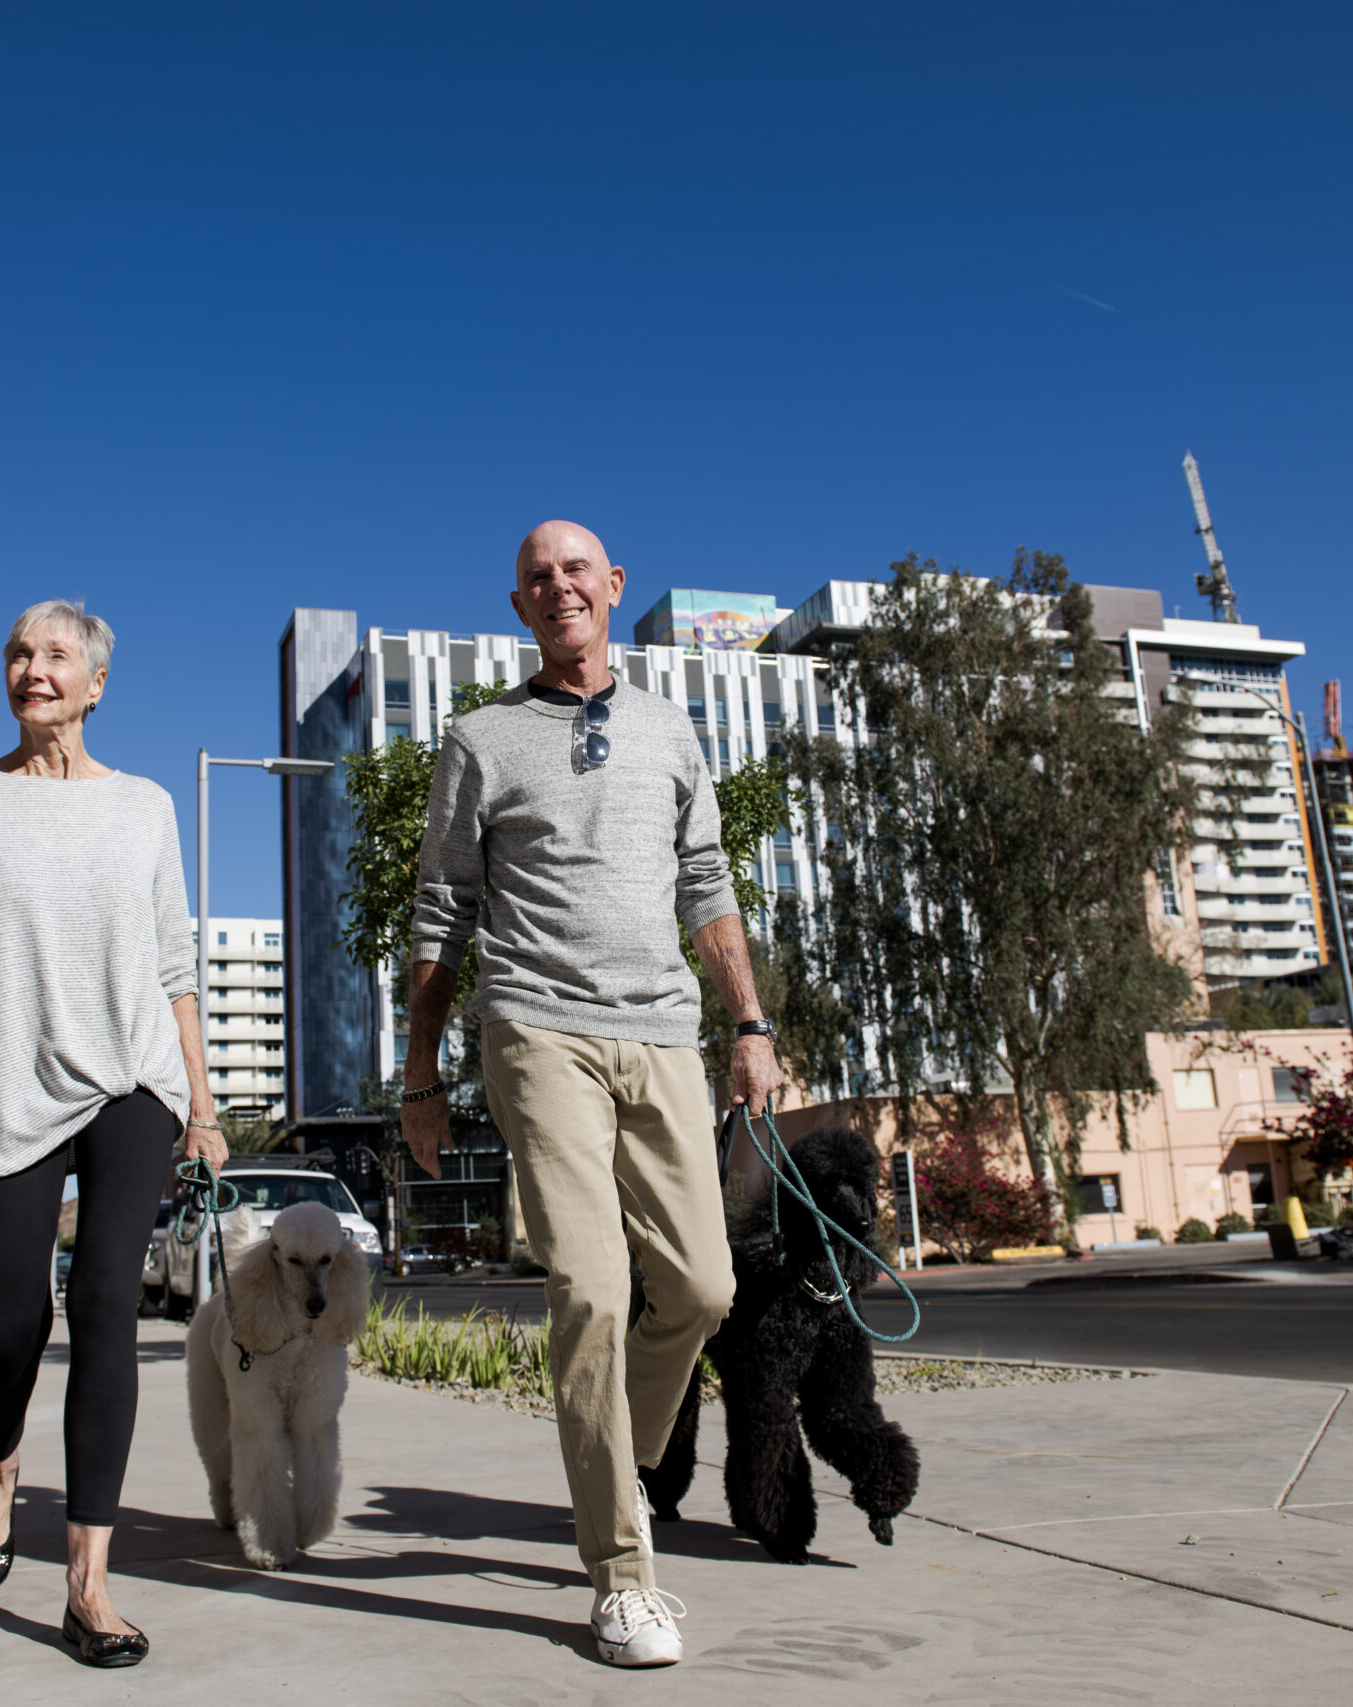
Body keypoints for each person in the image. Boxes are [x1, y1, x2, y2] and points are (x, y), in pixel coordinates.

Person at [402, 519, 784, 1668]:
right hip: (534, 1029)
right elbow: (440, 912)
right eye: (536, 578)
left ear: (613, 588)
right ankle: (622, 1575)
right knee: (593, 1288)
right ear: (517, 608)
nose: (558, 586)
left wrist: (750, 1025)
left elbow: (707, 881)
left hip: (662, 1031)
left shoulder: (671, 729)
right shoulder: (481, 739)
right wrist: (420, 1077)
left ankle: (616, 1446)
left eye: (576, 569)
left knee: (703, 1290)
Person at [0, 599, 227, 1669]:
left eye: (56, 655)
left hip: (131, 1083)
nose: (34, 669)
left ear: (96, 684)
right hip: (2, 1080)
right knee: (10, 1326)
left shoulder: (145, 808)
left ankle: (87, 1582)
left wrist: (203, 1105)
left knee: (108, 1304)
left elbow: (175, 964)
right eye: (19, 654)